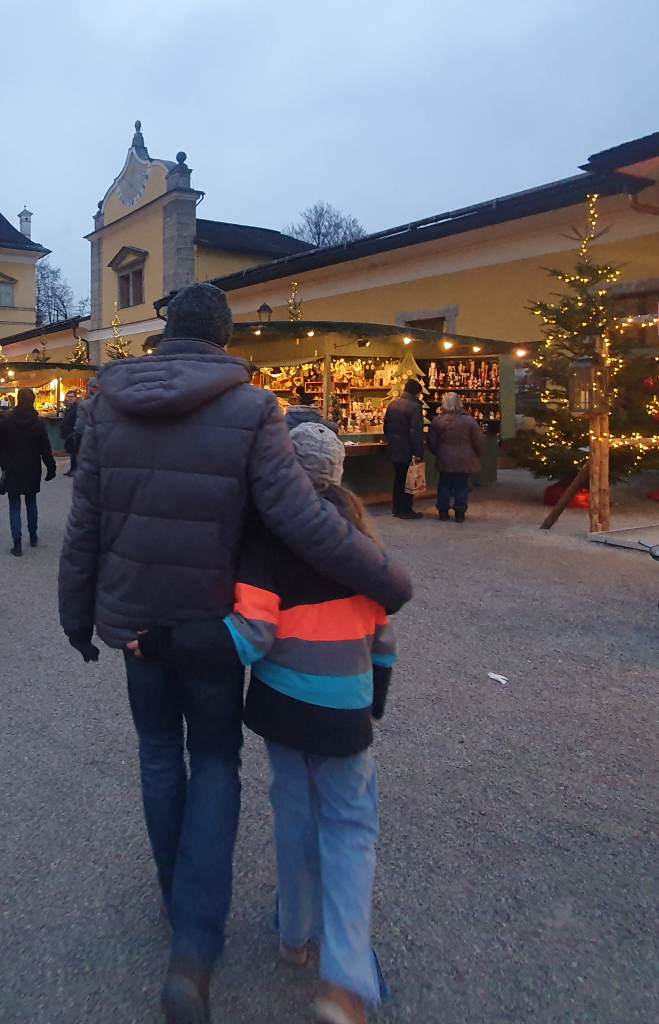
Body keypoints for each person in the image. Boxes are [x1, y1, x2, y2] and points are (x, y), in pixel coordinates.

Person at [58, 282, 412, 1024]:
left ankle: (173, 893)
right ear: (223, 339)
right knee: (214, 760)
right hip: (212, 623)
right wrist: (384, 576)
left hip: (133, 624)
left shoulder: (106, 405)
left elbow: (83, 522)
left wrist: (75, 616)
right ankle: (194, 946)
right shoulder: (250, 408)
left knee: (159, 754)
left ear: (166, 331)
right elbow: (297, 518)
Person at [223, 422, 405, 1024]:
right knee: (351, 829)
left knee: (294, 813)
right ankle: (347, 978)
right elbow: (383, 638)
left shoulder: (268, 540)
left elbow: (252, 637)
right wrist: (374, 697)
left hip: (282, 705)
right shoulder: (364, 547)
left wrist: (182, 642)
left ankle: (295, 931)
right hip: (345, 709)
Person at [0, 387, 57, 556]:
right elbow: (45, 447)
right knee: (31, 501)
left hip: (11, 466)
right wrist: (51, 467)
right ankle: (33, 535)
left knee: (14, 505)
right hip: (32, 467)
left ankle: (17, 542)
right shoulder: (38, 423)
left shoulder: (6, 421)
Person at [428, 391, 486, 522]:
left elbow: (432, 441)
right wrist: (477, 454)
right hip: (464, 458)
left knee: (444, 484)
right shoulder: (470, 421)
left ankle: (443, 512)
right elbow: (478, 441)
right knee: (461, 485)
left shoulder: (437, 421)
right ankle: (460, 513)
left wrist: (438, 452)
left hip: (444, 457)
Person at [382, 379, 427, 520]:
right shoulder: (415, 407)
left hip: (394, 447)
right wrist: (418, 452)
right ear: (417, 392)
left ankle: (396, 507)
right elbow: (416, 431)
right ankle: (406, 509)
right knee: (409, 480)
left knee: (399, 478)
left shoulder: (393, 404)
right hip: (407, 448)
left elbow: (386, 427)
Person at [59, 389, 83, 475]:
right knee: (72, 452)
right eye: (68, 397)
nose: (69, 399)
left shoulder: (77, 408)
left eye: (71, 397)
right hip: (68, 431)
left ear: (75, 397)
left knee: (74, 452)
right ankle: (72, 469)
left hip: (73, 431)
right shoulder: (69, 407)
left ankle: (75, 469)